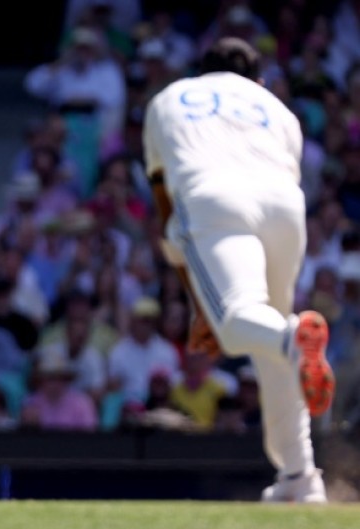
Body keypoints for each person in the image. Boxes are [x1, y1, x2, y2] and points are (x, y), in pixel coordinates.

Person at [142, 37, 335, 503]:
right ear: (259, 80)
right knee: (271, 340)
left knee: (236, 324)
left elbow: (164, 196)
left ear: (201, 71)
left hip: (214, 199)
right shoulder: (278, 109)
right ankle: (299, 476)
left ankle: (292, 338)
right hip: (285, 208)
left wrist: (191, 284)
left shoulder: (170, 98)